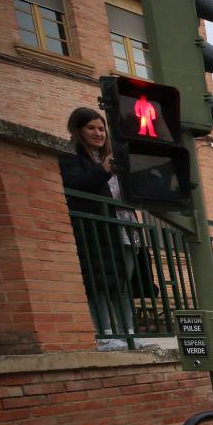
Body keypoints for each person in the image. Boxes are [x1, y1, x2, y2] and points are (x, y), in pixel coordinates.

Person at [59, 107, 135, 349]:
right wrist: (102, 171)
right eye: (91, 128)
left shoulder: (113, 158)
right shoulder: (71, 157)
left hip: (122, 231)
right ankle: (105, 335)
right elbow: (76, 185)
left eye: (101, 128)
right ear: (78, 130)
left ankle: (129, 334)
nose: (98, 133)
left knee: (122, 283)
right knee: (97, 283)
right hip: (93, 230)